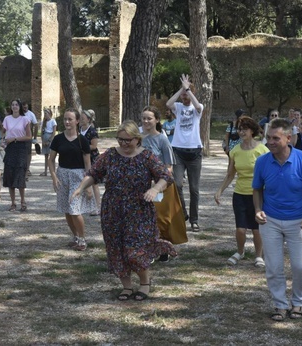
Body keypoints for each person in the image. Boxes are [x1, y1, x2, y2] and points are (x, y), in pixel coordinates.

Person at [72, 120, 176, 301]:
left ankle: (144, 284)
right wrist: (81, 188)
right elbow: (93, 173)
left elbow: (165, 176)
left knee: (135, 250)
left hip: (139, 210)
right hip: (113, 210)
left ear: (137, 139)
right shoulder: (110, 155)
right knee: (116, 249)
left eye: (128, 140)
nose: (124, 144)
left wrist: (155, 189)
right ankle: (126, 286)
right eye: (120, 140)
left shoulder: (147, 157)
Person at [252, 118, 302, 322]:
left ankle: (298, 303)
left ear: (288, 138)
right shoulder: (262, 161)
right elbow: (257, 190)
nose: (270, 142)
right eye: (268, 138)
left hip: (298, 220)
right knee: (274, 267)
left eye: (275, 138)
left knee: (300, 267)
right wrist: (257, 210)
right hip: (270, 220)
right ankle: (279, 305)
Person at [215, 115, 269, 267]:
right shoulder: (234, 151)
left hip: (258, 195)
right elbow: (230, 174)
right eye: (239, 129)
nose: (241, 132)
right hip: (239, 194)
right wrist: (220, 190)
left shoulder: (263, 150)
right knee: (240, 228)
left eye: (244, 129)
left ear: (252, 131)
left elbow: (268, 175)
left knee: (256, 229)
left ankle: (259, 256)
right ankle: (240, 251)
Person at [142, 106, 187, 262]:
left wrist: (158, 183)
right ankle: (147, 248)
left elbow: (169, 166)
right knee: (144, 217)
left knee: (160, 218)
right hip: (142, 184)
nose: (146, 121)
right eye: (144, 118)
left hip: (160, 185)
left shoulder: (162, 139)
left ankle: (162, 249)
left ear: (156, 120)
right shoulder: (139, 138)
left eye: (149, 118)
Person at [48, 109, 95, 251]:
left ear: (77, 121)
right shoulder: (58, 139)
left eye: (70, 119)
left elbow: (88, 165)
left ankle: (82, 239)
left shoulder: (83, 141)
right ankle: (75, 236)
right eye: (65, 119)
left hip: (78, 176)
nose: (67, 122)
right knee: (67, 210)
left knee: (74, 209)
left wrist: (88, 185)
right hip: (62, 175)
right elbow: (51, 160)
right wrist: (54, 177)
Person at [166, 74, 204, 232]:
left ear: (191, 93)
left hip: (194, 151)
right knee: (178, 184)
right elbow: (169, 103)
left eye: (186, 94)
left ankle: (194, 220)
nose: (184, 97)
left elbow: (198, 106)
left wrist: (188, 89)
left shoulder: (197, 108)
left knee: (194, 189)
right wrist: (181, 88)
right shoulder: (179, 108)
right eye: (182, 95)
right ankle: (183, 213)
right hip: (178, 151)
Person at [3, 99, 32, 212]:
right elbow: (3, 132)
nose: (14, 106)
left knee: (20, 174)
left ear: (20, 107)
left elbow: (29, 136)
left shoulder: (25, 119)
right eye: (13, 104)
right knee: (10, 173)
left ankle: (23, 201)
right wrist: (2, 140)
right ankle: (13, 202)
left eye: (16, 105)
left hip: (20, 148)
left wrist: (14, 138)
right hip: (10, 149)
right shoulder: (7, 119)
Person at [79, 109, 102, 215]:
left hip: (92, 159)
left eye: (83, 118)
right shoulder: (78, 130)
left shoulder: (92, 131)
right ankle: (85, 205)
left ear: (88, 119)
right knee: (82, 181)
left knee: (94, 183)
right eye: (80, 118)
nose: (81, 120)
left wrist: (81, 147)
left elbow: (94, 146)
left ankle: (98, 206)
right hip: (81, 159)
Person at [39, 108, 57, 177]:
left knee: (52, 156)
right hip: (45, 138)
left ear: (50, 114)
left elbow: (54, 132)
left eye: (46, 113)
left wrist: (49, 140)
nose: (45, 115)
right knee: (46, 156)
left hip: (50, 139)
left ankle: (53, 172)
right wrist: (43, 140)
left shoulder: (53, 121)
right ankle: (45, 171)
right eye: (44, 114)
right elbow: (41, 132)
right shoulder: (43, 122)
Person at [22, 102, 38, 176]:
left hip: (28, 135)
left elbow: (36, 125)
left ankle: (27, 168)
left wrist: (34, 137)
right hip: (20, 135)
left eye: (26, 107)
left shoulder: (31, 114)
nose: (25, 108)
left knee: (28, 152)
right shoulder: (19, 114)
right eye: (24, 107)